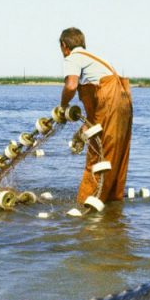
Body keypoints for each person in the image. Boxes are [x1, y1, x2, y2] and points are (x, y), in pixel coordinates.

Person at [58, 27, 133, 204]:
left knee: (98, 153)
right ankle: (112, 207)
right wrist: (82, 132)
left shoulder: (73, 57)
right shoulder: (96, 59)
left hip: (110, 98)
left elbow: (71, 85)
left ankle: (87, 205)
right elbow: (99, 111)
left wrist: (63, 106)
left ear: (64, 45)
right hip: (123, 101)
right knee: (115, 154)